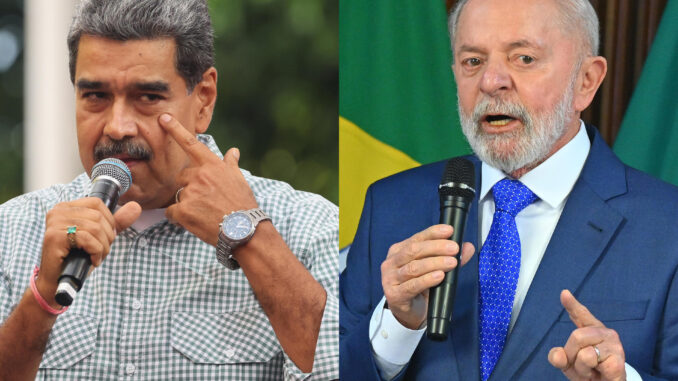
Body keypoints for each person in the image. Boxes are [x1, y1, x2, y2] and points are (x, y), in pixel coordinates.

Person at [339, 0, 678, 380]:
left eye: (524, 59)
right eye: (473, 62)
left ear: (587, 81)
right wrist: (397, 328)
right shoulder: (391, 205)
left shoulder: (668, 227)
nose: (490, 81)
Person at [0, 0, 338, 380]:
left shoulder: (309, 227)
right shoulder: (12, 232)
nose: (118, 127)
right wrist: (41, 302)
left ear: (204, 99)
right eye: (95, 96)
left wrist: (251, 237)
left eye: (147, 97)